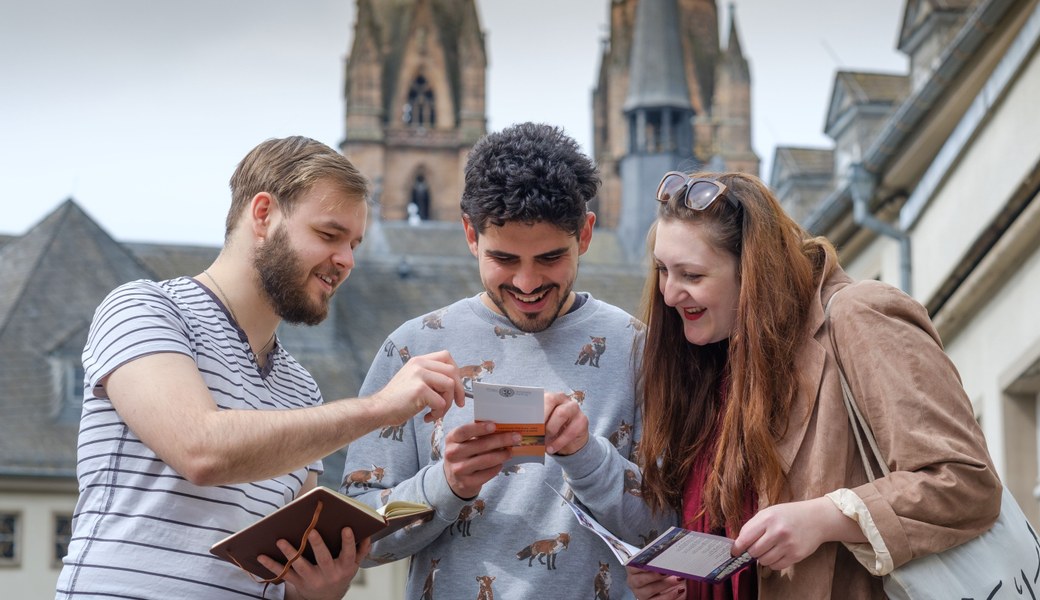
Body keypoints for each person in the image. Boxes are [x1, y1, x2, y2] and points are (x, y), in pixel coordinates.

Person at [56, 136, 464, 600]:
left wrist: (319, 589)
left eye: (353, 244)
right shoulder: (144, 309)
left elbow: (284, 573)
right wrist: (380, 408)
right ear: (264, 215)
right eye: (329, 236)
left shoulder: (302, 391)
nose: (347, 261)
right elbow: (201, 450)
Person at [625, 171, 1003, 599]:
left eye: (691, 276)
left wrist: (826, 518)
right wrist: (671, 582)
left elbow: (964, 480)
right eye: (662, 270)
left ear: (753, 272)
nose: (670, 295)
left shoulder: (860, 315)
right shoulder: (710, 356)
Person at [341, 122, 666, 598]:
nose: (529, 284)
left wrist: (588, 457)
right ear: (471, 235)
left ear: (586, 233)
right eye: (505, 260)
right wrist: (447, 484)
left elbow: (671, 531)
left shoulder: (642, 350)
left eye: (551, 258)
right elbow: (360, 541)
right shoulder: (410, 348)